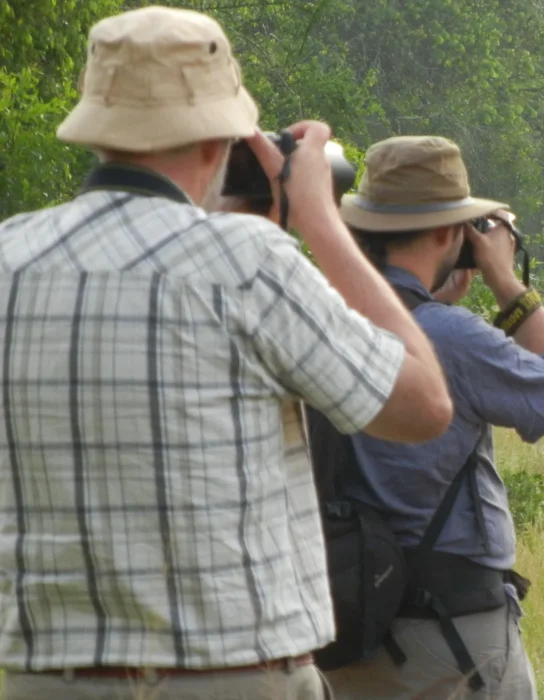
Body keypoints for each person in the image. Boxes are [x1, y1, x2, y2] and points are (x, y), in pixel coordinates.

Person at [0, 7, 454, 700]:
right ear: (223, 141)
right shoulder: (246, 262)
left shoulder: (10, 257)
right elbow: (421, 407)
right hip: (231, 673)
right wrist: (320, 225)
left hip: (46, 679)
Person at [321, 136, 544, 699]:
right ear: (452, 232)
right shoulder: (452, 335)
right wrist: (506, 283)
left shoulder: (324, 315)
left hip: (343, 623)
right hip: (449, 632)